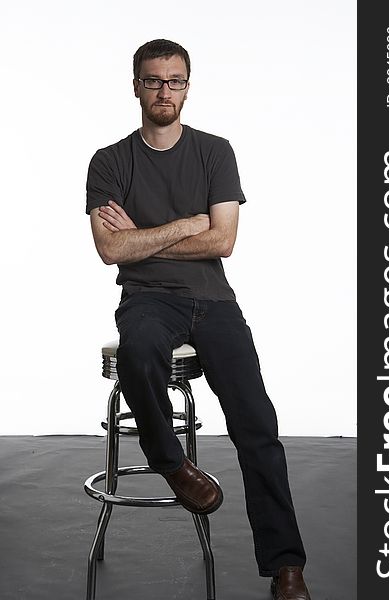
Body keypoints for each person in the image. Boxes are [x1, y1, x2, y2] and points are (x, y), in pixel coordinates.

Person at [86, 38, 311, 600]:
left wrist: (144, 236)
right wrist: (187, 224)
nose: (164, 91)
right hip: (147, 300)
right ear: (135, 84)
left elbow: (225, 241)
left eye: (175, 81)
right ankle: (171, 462)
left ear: (188, 86)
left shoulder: (215, 151)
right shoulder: (109, 160)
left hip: (214, 300)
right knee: (138, 352)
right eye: (153, 80)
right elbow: (111, 252)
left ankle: (286, 568)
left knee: (257, 423)